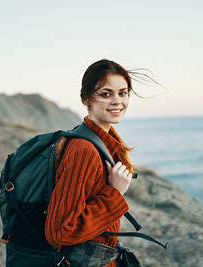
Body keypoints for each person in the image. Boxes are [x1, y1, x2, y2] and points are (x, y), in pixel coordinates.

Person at [45, 59, 138, 266]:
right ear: (87, 99)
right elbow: (60, 232)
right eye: (106, 94)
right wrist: (114, 194)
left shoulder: (102, 142)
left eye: (122, 93)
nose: (117, 101)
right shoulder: (84, 150)